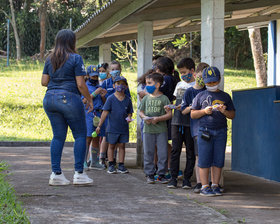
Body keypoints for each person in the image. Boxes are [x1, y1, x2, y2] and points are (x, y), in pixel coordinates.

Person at [41, 29, 93, 186]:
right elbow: (80, 84)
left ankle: (56, 174)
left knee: (58, 136)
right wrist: (89, 99)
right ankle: (79, 174)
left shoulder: (50, 59)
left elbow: (44, 82)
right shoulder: (76, 58)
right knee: (80, 135)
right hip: (69, 98)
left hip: (49, 99)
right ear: (72, 42)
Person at [191, 66, 235, 196]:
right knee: (204, 159)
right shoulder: (200, 95)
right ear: (204, 81)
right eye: (209, 82)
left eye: (214, 82)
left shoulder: (225, 96)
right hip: (205, 131)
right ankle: (205, 186)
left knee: (218, 159)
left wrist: (224, 111)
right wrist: (204, 111)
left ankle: (215, 184)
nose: (212, 84)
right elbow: (193, 114)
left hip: (221, 131)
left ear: (219, 80)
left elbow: (232, 115)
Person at [166, 58, 196, 189]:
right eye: (181, 73)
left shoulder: (197, 86)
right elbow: (177, 101)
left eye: (184, 72)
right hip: (176, 121)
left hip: (191, 123)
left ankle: (187, 179)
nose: (183, 75)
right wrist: (171, 107)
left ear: (192, 71)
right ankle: (173, 178)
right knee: (175, 150)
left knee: (190, 151)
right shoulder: (179, 85)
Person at [96, 76, 133, 174]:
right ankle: (111, 164)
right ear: (113, 86)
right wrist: (99, 125)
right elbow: (105, 112)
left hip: (123, 128)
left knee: (122, 146)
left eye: (122, 84)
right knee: (111, 146)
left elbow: (130, 112)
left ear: (126, 86)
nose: (120, 86)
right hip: (112, 127)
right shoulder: (110, 98)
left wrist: (129, 117)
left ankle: (121, 164)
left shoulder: (128, 99)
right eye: (117, 84)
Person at [181, 62, 209, 193]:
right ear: (195, 74)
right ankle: (199, 182)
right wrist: (193, 107)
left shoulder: (209, 90)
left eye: (205, 77)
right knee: (199, 156)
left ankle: (212, 183)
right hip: (196, 129)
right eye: (200, 76)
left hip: (210, 127)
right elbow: (183, 110)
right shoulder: (189, 92)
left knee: (211, 156)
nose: (202, 79)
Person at [139, 72, 172, 184]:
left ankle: (161, 174)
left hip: (161, 130)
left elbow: (169, 114)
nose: (147, 85)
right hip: (148, 130)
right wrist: (145, 118)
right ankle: (149, 174)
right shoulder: (145, 98)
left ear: (157, 85)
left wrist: (158, 119)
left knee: (162, 153)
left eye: (149, 83)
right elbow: (140, 112)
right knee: (148, 152)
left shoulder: (164, 98)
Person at [154, 56, 180, 179]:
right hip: (166, 112)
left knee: (162, 142)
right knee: (163, 142)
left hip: (163, 113)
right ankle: (167, 167)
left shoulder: (166, 79)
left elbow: (157, 91)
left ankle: (167, 168)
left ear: (160, 68)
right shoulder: (171, 78)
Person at [82, 65, 107, 171]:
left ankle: (95, 161)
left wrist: (103, 96)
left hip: (99, 114)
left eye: (96, 76)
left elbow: (105, 103)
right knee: (88, 138)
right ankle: (83, 161)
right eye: (92, 76)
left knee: (97, 137)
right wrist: (94, 94)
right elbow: (83, 101)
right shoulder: (84, 86)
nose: (95, 78)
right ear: (88, 75)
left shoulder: (99, 86)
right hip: (89, 113)